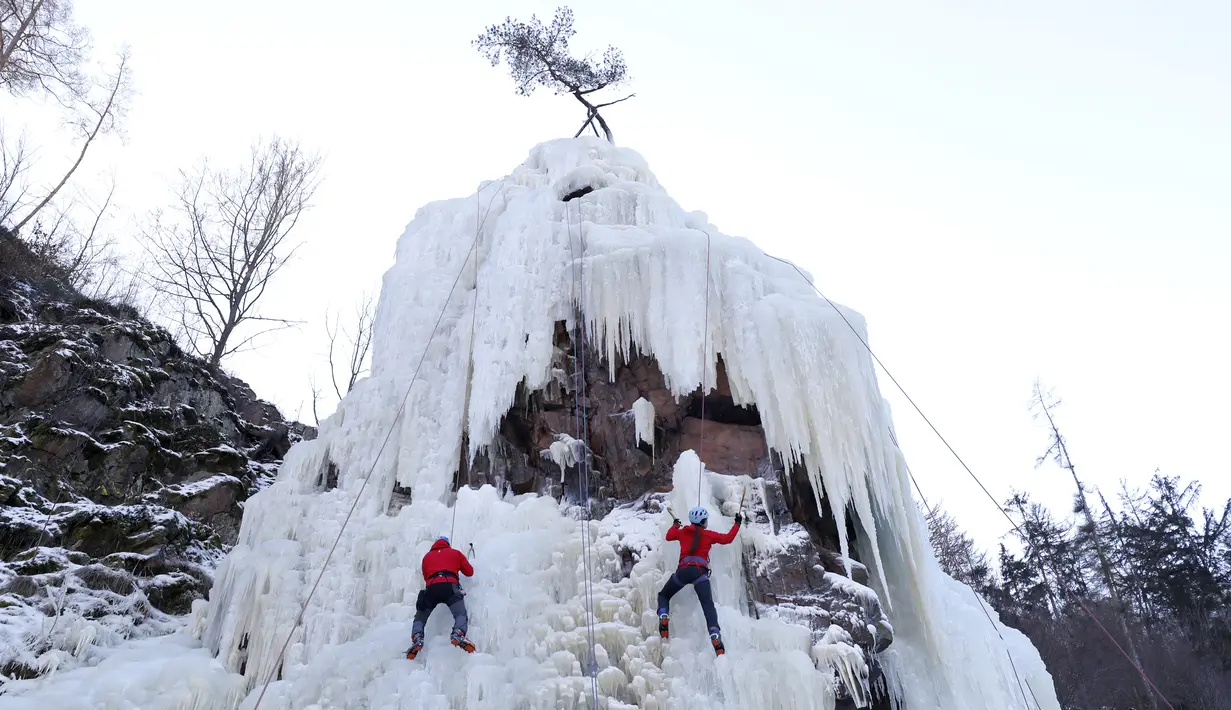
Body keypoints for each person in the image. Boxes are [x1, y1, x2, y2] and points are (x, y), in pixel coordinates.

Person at [657, 505, 742, 655]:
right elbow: (728, 539)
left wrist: (675, 525)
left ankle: (663, 615)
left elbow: (669, 536)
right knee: (708, 605)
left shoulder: (683, 532)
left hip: (682, 572)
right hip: (699, 574)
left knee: (664, 595)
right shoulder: (708, 534)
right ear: (703, 521)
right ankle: (715, 635)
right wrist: (737, 523)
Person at [406, 536, 475, 659]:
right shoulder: (455, 553)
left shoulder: (427, 557)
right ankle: (458, 633)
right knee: (460, 614)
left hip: (432, 589)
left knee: (420, 617)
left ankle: (417, 637)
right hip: (450, 587)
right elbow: (469, 572)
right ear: (447, 544)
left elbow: (426, 576)